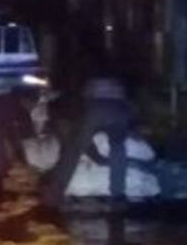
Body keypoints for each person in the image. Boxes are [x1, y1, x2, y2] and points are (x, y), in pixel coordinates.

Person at [40, 77, 138, 209]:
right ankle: (118, 195)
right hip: (119, 108)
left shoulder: (84, 87)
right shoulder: (119, 80)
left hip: (96, 108)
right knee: (118, 147)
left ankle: (55, 191)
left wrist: (93, 153)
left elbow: (76, 140)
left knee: (75, 150)